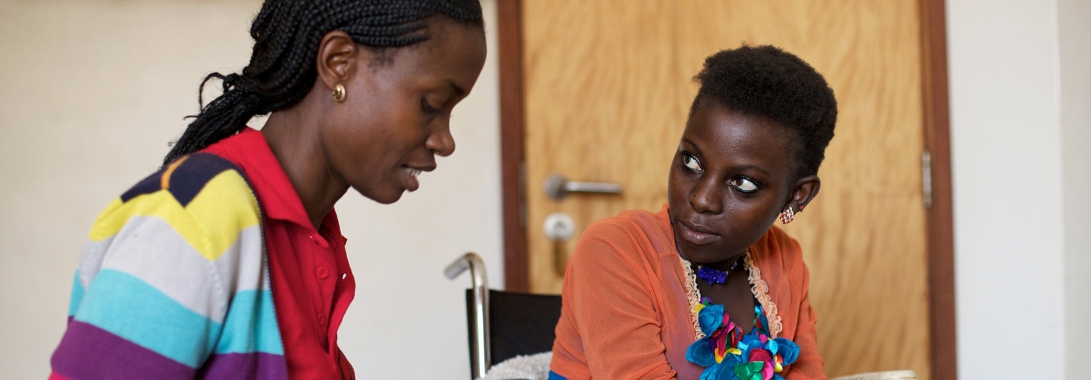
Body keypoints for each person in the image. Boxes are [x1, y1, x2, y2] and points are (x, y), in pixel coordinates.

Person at [48, 1, 487, 379]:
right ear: (339, 63)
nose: (444, 141)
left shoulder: (312, 237)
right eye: (431, 104)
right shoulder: (195, 220)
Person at [548, 45, 838, 380]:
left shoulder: (784, 259)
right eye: (691, 161)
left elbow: (806, 372)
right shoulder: (613, 251)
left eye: (742, 183)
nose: (701, 199)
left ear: (796, 196)